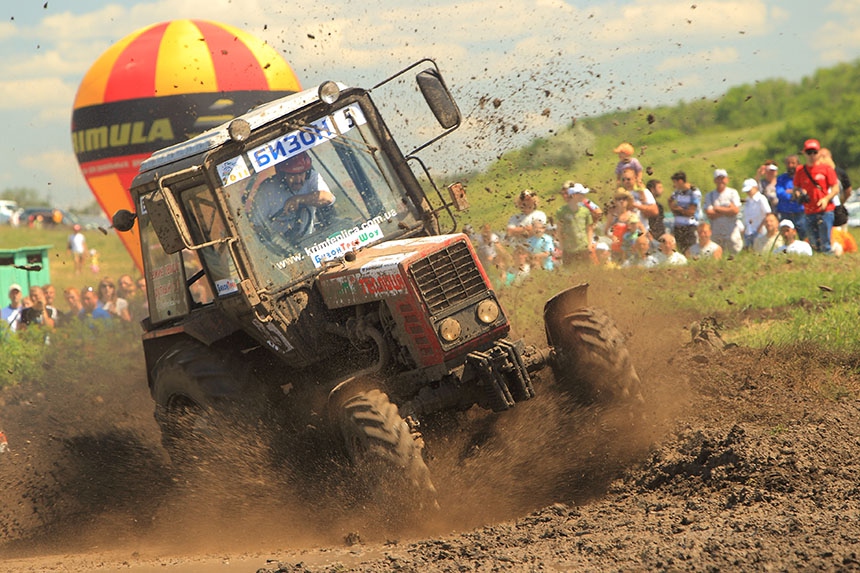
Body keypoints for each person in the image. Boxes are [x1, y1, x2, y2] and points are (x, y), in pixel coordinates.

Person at [245, 151, 336, 243]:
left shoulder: (312, 177)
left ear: (307, 173)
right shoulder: (267, 189)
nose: (298, 180)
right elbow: (255, 225)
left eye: (301, 174)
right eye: (293, 175)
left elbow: (327, 198)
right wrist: (271, 240)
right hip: (280, 249)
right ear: (282, 175)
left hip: (309, 241)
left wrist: (299, 199)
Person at [793, 139, 838, 254]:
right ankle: (819, 263)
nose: (812, 155)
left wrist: (826, 198)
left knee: (825, 242)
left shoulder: (826, 169)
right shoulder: (800, 171)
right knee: (813, 242)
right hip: (809, 210)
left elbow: (835, 188)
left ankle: (828, 263)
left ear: (818, 153)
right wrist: (799, 194)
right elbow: (796, 188)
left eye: (814, 152)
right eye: (809, 152)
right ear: (804, 153)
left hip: (825, 210)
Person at [555, 182, 596, 265]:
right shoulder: (561, 211)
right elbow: (559, 230)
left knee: (584, 270)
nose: (583, 196)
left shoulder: (585, 211)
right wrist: (562, 246)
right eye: (581, 194)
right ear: (574, 195)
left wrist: (589, 244)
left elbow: (589, 228)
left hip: (583, 247)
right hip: (568, 248)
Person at [704, 169, 743, 255]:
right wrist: (727, 210)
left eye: (723, 178)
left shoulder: (733, 193)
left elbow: (735, 210)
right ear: (715, 180)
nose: (721, 181)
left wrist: (717, 208)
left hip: (731, 234)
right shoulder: (710, 195)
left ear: (727, 179)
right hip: (716, 234)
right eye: (718, 178)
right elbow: (709, 213)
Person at [667, 171, 702, 256]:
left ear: (680, 181)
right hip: (678, 226)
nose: (674, 185)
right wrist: (674, 209)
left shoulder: (694, 192)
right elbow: (670, 200)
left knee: (690, 251)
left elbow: (691, 212)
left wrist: (679, 210)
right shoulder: (677, 192)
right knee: (679, 250)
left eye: (675, 183)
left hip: (689, 226)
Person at [775, 154, 807, 240]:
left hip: (800, 212)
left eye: (793, 163)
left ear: (798, 164)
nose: (790, 166)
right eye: (788, 163)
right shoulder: (781, 179)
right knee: (785, 236)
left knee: (804, 236)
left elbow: (805, 192)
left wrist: (790, 191)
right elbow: (779, 193)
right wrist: (794, 194)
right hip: (785, 212)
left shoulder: (804, 177)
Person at [621, 168, 658, 236]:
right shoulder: (621, 193)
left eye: (628, 179)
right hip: (625, 233)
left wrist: (636, 205)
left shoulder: (644, 192)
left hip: (641, 232)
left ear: (635, 178)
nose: (626, 181)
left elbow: (654, 211)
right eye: (623, 180)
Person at [741, 178, 771, 250]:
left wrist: (760, 227)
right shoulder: (748, 200)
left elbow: (768, 214)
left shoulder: (761, 198)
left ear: (755, 188)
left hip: (759, 231)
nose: (748, 192)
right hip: (748, 231)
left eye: (749, 190)